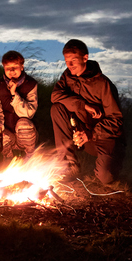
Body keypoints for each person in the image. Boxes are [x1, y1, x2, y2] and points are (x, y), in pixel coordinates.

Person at [50, 39, 126, 185]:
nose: (70, 65)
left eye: (73, 60)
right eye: (66, 61)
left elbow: (116, 120)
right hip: (82, 133)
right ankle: (68, 167)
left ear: (85, 58)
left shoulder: (103, 84)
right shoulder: (68, 76)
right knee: (57, 109)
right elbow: (55, 96)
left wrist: (90, 134)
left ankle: (113, 162)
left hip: (105, 138)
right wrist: (84, 105)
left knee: (106, 178)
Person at [0, 50, 39, 162]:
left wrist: (14, 94)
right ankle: (7, 158)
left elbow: (28, 113)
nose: (11, 71)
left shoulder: (31, 84)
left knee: (24, 124)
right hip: (8, 134)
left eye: (15, 67)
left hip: (26, 135)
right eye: (8, 68)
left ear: (22, 67)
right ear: (3, 68)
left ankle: (29, 158)